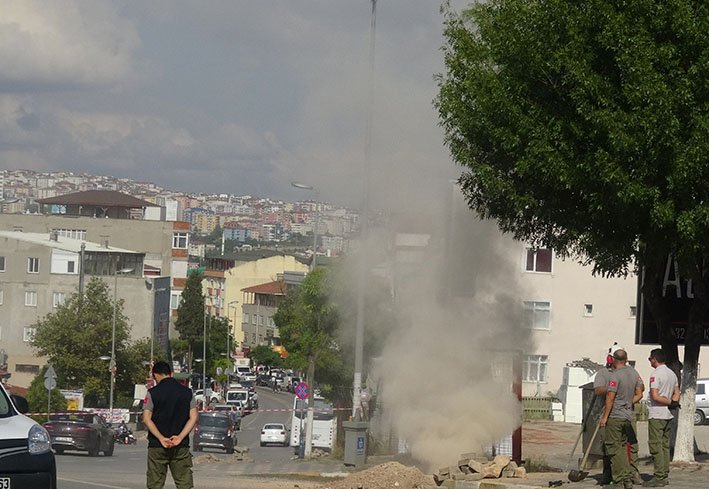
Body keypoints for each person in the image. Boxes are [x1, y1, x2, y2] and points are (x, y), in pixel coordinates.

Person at [143, 361, 198, 489]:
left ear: (155, 375)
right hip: (181, 447)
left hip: (157, 446)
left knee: (155, 485)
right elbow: (193, 417)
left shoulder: (152, 393)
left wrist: (161, 438)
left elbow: (146, 419)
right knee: (184, 484)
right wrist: (180, 437)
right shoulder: (187, 393)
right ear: (171, 374)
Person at [594, 344, 642, 485]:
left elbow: (610, 397)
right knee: (622, 447)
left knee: (615, 449)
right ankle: (626, 478)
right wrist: (628, 403)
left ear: (613, 359)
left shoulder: (615, 376)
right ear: (626, 359)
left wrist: (605, 417)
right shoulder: (633, 373)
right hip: (627, 415)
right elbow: (640, 393)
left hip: (615, 416)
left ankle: (620, 480)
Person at [644, 349, 680, 487]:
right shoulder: (672, 374)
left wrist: (670, 402)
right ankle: (664, 474)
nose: (650, 362)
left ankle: (659, 476)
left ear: (654, 359)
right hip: (668, 415)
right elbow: (677, 392)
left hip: (657, 414)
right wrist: (674, 403)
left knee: (656, 445)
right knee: (664, 446)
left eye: (650, 359)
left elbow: (655, 396)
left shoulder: (656, 374)